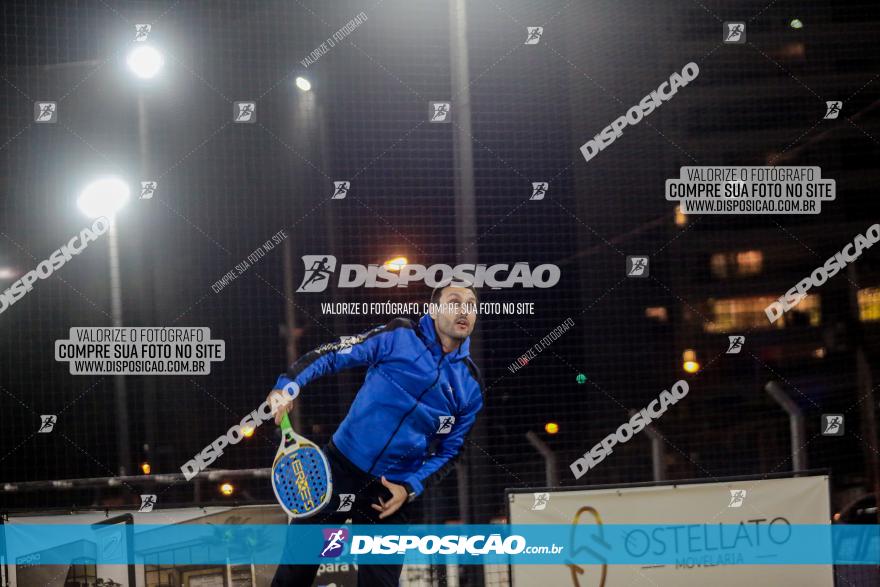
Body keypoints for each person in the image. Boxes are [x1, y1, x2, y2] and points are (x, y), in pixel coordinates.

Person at [269, 282, 484, 587]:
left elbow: (452, 451)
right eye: (454, 302)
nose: (464, 310)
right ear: (434, 310)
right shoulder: (399, 336)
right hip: (336, 472)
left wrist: (409, 488)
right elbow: (335, 354)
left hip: (390, 495)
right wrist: (289, 385)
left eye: (472, 304)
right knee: (294, 574)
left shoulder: (470, 387)